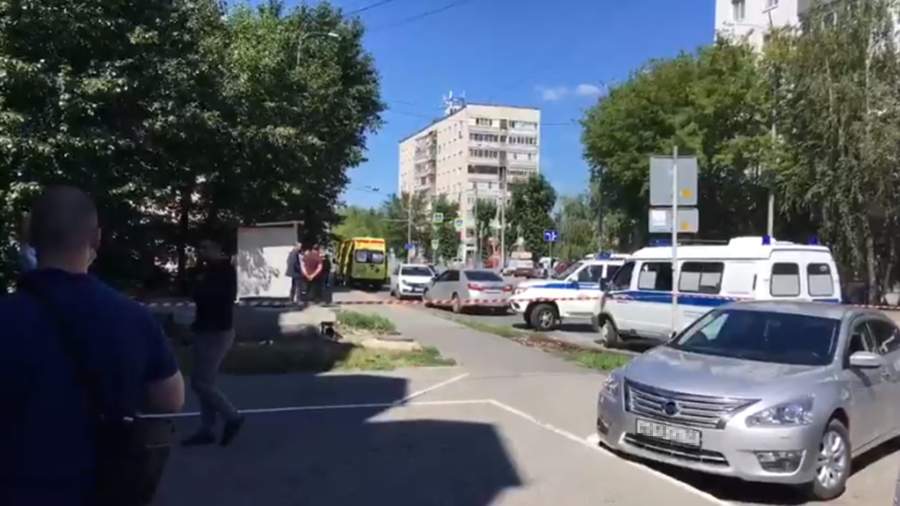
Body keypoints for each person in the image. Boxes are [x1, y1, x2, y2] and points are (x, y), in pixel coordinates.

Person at [0, 186, 184, 505]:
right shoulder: (134, 318)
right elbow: (171, 400)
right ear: (96, 239)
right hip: (102, 488)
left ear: (29, 237)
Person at [182, 240, 244, 447]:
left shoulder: (224, 271)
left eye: (205, 248)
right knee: (204, 382)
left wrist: (199, 287)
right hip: (205, 329)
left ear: (218, 250)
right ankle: (206, 429)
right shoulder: (207, 269)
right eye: (200, 248)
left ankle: (232, 416)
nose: (201, 252)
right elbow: (194, 292)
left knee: (200, 383)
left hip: (217, 331)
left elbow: (215, 298)